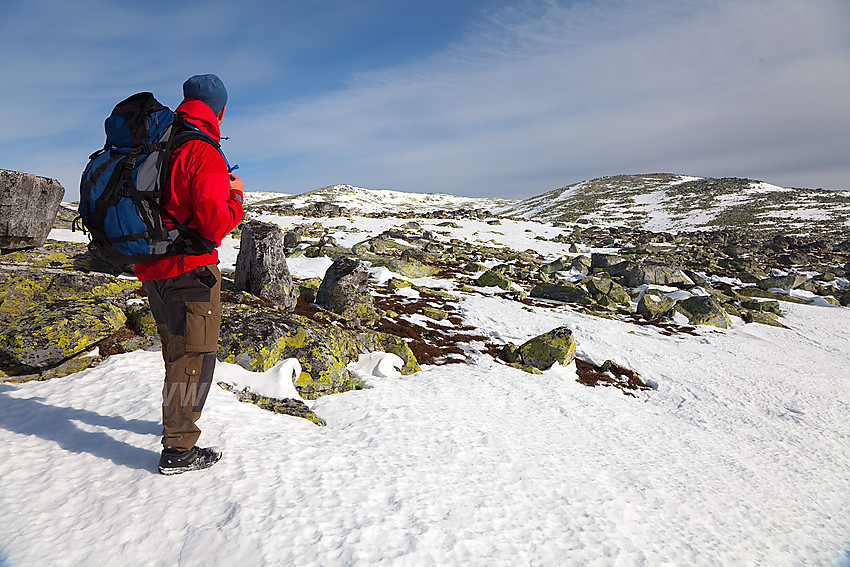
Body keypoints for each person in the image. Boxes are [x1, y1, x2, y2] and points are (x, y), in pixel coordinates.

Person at [134, 74, 244, 475]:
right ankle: (178, 449)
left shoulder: (158, 144)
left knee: (176, 348)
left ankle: (174, 421)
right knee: (194, 356)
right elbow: (214, 224)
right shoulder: (202, 150)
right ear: (221, 110)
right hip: (190, 271)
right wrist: (236, 195)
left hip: (153, 268)